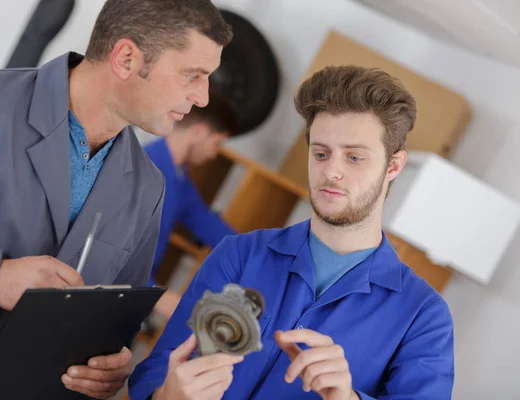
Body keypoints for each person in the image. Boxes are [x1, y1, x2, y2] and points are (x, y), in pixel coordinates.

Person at [0, 0, 232, 399]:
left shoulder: (148, 188)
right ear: (125, 58)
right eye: (193, 74)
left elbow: (115, 321)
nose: (203, 97)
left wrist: (111, 364)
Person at [128, 65, 455, 400]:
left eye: (354, 157)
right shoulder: (238, 255)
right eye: (321, 153)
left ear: (393, 166)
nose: (332, 171)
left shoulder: (424, 316)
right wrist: (166, 395)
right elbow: (155, 372)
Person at [143, 91, 241, 319]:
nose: (214, 153)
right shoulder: (143, 167)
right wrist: (154, 294)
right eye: (217, 143)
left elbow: (205, 222)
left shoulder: (178, 177)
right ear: (199, 131)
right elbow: (110, 247)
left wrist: (258, 253)